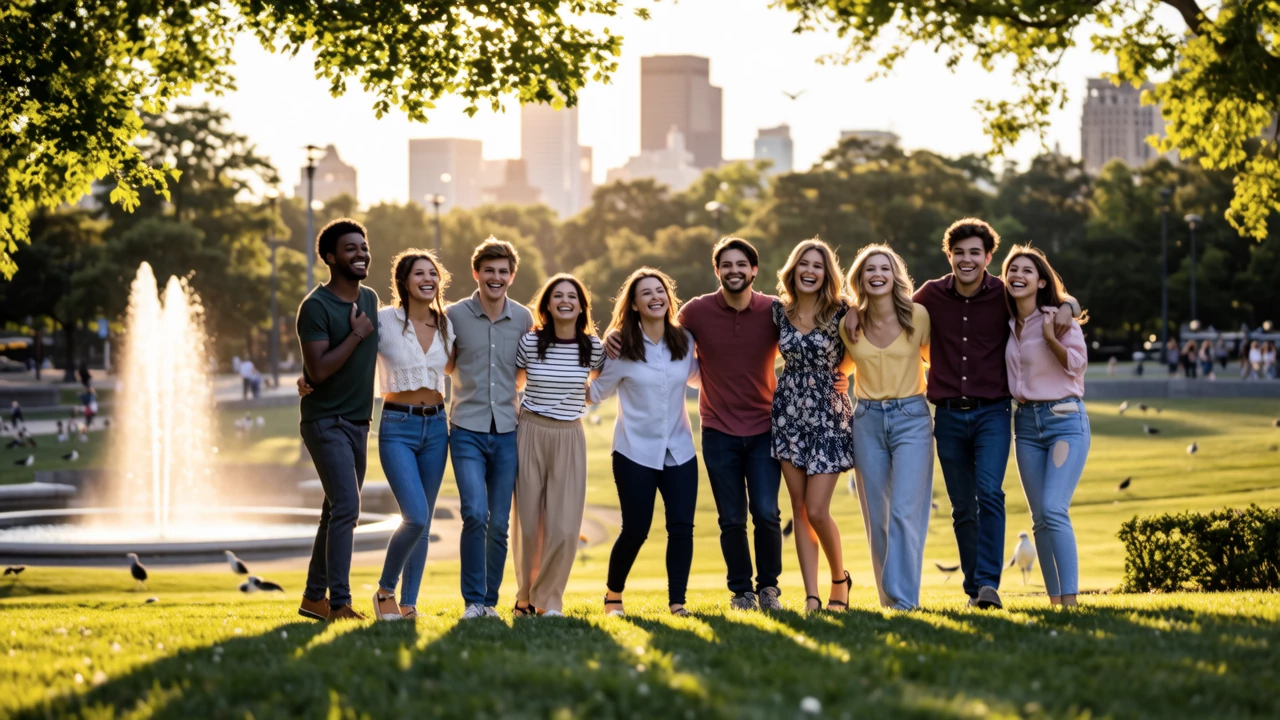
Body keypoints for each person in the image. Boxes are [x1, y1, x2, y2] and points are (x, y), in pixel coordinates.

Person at [843, 218, 1076, 610]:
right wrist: (854, 310)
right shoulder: (930, 296)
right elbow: (885, 301)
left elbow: (1052, 297)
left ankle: (988, 584)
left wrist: (1071, 304)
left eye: (975, 253)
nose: (966, 260)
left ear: (988, 257)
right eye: (959, 253)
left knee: (989, 493)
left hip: (993, 414)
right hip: (948, 416)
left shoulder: (1004, 292)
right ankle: (973, 589)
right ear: (948, 255)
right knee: (962, 505)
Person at [608, 238, 790, 611]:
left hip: (763, 429)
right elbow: (656, 331)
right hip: (718, 430)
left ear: (754, 270)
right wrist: (613, 336)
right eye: (726, 265)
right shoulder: (696, 312)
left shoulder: (775, 310)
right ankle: (742, 593)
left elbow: (811, 324)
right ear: (717, 271)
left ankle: (768, 589)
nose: (734, 271)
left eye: (742, 265)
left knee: (767, 512)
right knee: (731, 517)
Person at [589, 269, 701, 618]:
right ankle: (613, 595)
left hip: (680, 449)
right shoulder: (621, 346)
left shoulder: (684, 341)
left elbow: (703, 379)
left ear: (669, 298)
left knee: (681, 527)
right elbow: (595, 391)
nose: (656, 297)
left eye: (661, 291)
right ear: (634, 304)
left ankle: (677, 602)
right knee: (635, 529)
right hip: (633, 451)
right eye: (646, 293)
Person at [841, 244, 933, 611]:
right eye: (869, 269)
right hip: (867, 421)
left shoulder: (918, 315)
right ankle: (888, 599)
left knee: (904, 511)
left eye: (884, 267)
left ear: (896, 275)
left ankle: (905, 599)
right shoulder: (850, 324)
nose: (877, 274)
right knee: (876, 516)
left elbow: (935, 362)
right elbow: (841, 371)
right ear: (860, 278)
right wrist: (850, 310)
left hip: (912, 418)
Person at [295, 218, 379, 622]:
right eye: (351, 248)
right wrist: (356, 335)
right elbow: (320, 370)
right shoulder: (315, 306)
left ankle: (314, 598)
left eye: (363, 246)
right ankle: (340, 603)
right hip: (325, 421)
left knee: (335, 510)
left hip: (359, 422)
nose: (361, 253)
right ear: (330, 257)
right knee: (347, 506)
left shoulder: (373, 300)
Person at [447, 238, 534, 620]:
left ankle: (489, 603)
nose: (496, 278)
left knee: (499, 522)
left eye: (503, 272)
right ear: (476, 273)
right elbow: (444, 364)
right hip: (465, 428)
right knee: (474, 514)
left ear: (511, 276)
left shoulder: (524, 318)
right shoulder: (454, 315)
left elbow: (523, 372)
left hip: (508, 432)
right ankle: (472, 602)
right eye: (489, 271)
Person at [510, 274, 604, 617]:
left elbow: (605, 380)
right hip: (530, 432)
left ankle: (549, 600)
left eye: (572, 296)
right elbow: (516, 382)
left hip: (570, 435)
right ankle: (525, 599)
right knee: (529, 526)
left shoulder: (593, 347)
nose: (565, 301)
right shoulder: (530, 343)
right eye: (558, 296)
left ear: (581, 306)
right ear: (547, 305)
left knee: (564, 528)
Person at [370, 250, 456, 621]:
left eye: (433, 273)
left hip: (437, 426)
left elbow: (461, 364)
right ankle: (385, 591)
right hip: (397, 427)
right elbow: (351, 359)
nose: (428, 279)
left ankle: (409, 605)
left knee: (424, 522)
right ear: (403, 282)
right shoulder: (383, 320)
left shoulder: (446, 324)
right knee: (416, 516)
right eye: (419, 273)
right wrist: (309, 379)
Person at [771, 239, 855, 612]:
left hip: (827, 416)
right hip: (788, 414)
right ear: (793, 269)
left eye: (817, 266)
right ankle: (811, 595)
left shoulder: (842, 312)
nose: (809, 271)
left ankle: (840, 579)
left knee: (818, 509)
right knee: (799, 508)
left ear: (826, 273)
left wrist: (844, 374)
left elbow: (858, 352)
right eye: (803, 263)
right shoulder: (778, 312)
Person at [1003, 245, 1090, 607]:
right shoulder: (1006, 322)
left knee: (1054, 508)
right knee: (1039, 518)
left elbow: (1076, 365)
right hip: (1024, 425)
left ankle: (1071, 601)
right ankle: (1055, 601)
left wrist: (1054, 335)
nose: (1017, 276)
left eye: (1026, 270)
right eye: (1012, 270)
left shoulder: (1058, 317)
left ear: (1041, 281)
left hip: (1064, 420)